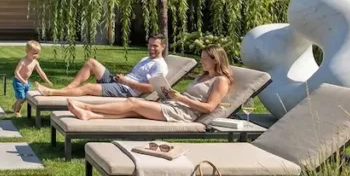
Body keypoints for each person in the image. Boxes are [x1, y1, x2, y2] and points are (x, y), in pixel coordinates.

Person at [65, 46, 233, 122]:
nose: (201, 61)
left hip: (183, 113)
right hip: (174, 104)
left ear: (216, 60)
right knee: (131, 111)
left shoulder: (220, 81)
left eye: (204, 59)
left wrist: (181, 98)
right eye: (201, 58)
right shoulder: (202, 77)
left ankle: (87, 107)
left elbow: (209, 108)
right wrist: (170, 94)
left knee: (132, 103)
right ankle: (90, 116)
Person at [36, 34, 169, 98]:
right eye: (150, 45)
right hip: (120, 82)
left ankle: (51, 92)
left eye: (155, 46)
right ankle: (67, 88)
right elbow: (135, 75)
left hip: (127, 91)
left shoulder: (160, 66)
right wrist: (122, 78)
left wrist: (126, 81)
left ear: (163, 47)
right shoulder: (145, 59)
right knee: (91, 62)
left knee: (88, 87)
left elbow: (151, 88)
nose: (151, 48)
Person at [2, 40, 52, 116]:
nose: (35, 55)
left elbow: (41, 72)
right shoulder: (23, 61)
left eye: (37, 53)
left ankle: (14, 106)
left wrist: (47, 80)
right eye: (33, 53)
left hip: (25, 81)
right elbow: (16, 72)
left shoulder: (35, 62)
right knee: (21, 97)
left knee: (26, 97)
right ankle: (17, 111)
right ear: (27, 51)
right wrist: (22, 81)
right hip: (18, 81)